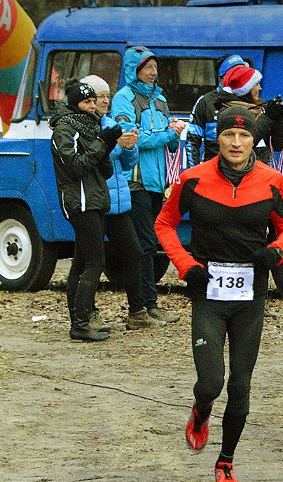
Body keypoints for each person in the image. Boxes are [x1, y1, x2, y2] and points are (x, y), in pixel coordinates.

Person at [155, 106, 283, 482]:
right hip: (208, 292)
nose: (236, 142)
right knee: (211, 382)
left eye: (244, 136)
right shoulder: (193, 179)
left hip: (250, 295)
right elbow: (164, 224)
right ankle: (201, 410)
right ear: (217, 139)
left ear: (254, 140)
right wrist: (186, 266)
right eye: (228, 135)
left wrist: (276, 252)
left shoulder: (272, 182)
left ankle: (225, 463)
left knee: (240, 385)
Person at [111, 47, 186, 326]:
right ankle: (145, 307)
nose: (154, 72)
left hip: (157, 183)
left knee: (151, 243)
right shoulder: (123, 98)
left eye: (155, 67)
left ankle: (150, 305)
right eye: (147, 67)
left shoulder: (160, 99)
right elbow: (133, 138)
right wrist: (167, 133)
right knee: (144, 243)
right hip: (135, 181)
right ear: (134, 70)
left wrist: (175, 134)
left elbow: (170, 144)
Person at [80, 74, 159, 330]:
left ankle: (137, 312)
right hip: (93, 204)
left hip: (118, 202)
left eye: (107, 96)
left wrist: (129, 147)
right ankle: (86, 314)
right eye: (100, 97)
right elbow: (91, 158)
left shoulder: (113, 124)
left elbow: (126, 164)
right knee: (88, 262)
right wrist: (115, 144)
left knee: (134, 253)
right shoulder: (84, 127)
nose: (105, 101)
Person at [50, 79, 123, 341]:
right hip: (80, 202)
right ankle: (80, 324)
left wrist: (107, 145)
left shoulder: (90, 127)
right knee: (95, 262)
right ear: (74, 104)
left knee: (81, 263)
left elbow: (104, 171)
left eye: (94, 101)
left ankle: (80, 321)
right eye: (87, 102)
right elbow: (76, 167)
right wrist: (102, 142)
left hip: (95, 199)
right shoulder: (64, 130)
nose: (93, 106)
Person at [214, 64, 283, 166]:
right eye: (256, 84)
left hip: (261, 170)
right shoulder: (227, 112)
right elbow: (247, 142)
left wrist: (278, 117)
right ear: (246, 89)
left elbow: (277, 146)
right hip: (240, 170)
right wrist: (267, 117)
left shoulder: (258, 109)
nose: (260, 88)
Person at [186, 54, 249, 167]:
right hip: (213, 170)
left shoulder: (251, 100)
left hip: (244, 171)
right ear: (223, 76)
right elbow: (192, 142)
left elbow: (262, 146)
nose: (241, 77)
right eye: (236, 73)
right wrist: (193, 173)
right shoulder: (206, 101)